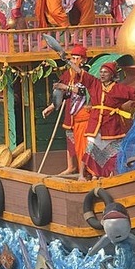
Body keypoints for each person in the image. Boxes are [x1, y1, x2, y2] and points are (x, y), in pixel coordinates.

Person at [72, 61, 135, 179]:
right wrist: (67, 61)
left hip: (111, 125)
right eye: (101, 72)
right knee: (90, 148)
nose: (102, 74)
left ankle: (110, 175)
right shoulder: (94, 84)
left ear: (112, 75)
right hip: (95, 123)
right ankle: (82, 175)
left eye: (105, 72)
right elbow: (81, 73)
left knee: (113, 152)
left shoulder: (119, 88)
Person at [42, 45, 94, 175]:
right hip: (70, 112)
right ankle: (71, 166)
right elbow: (62, 94)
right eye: (73, 58)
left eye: (78, 58)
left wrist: (66, 87)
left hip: (83, 113)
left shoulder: (86, 74)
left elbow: (83, 91)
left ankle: (88, 170)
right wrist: (51, 107)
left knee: (84, 143)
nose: (75, 61)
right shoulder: (68, 74)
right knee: (70, 140)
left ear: (83, 60)